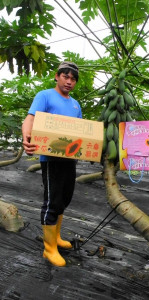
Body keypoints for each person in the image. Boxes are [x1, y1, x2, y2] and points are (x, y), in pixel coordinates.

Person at [22, 61, 82, 267]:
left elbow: (81, 131)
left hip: (69, 159)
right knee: (52, 201)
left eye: (73, 79)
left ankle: (56, 238)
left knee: (65, 198)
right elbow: (30, 119)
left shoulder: (76, 105)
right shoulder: (45, 95)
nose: (69, 81)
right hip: (51, 159)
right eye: (66, 77)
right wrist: (26, 137)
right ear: (57, 76)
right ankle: (49, 249)